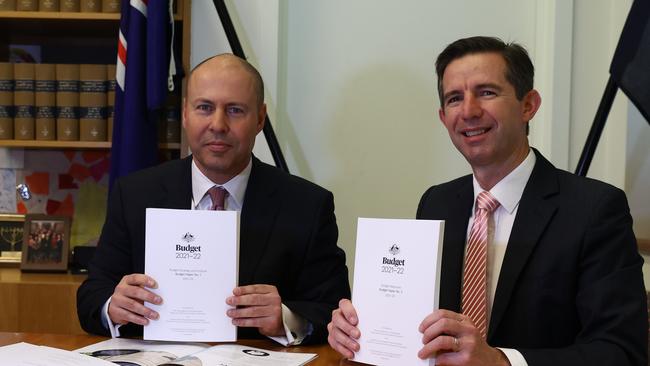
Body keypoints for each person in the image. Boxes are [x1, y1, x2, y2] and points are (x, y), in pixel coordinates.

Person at [327, 36, 647, 365]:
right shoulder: (437, 202)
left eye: (486, 92)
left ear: (528, 105)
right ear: (443, 117)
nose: (468, 111)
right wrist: (362, 332)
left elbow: (621, 352)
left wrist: (500, 362)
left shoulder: (594, 209)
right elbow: (417, 326)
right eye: (454, 98)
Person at [77, 54, 350, 345]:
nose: (218, 124)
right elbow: (92, 296)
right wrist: (114, 307)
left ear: (260, 118)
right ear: (185, 114)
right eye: (204, 107)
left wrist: (286, 317)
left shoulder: (308, 205)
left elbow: (333, 310)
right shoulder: (134, 194)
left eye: (234, 110)